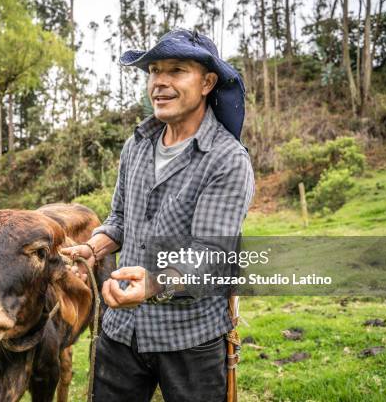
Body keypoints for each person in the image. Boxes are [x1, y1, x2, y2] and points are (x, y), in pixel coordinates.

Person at [62, 28, 254, 402]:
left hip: (190, 336)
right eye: (153, 71)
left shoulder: (227, 159)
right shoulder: (137, 144)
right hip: (121, 331)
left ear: (207, 82)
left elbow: (211, 254)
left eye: (177, 70)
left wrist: (152, 284)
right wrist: (92, 248)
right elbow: (119, 219)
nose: (159, 83)